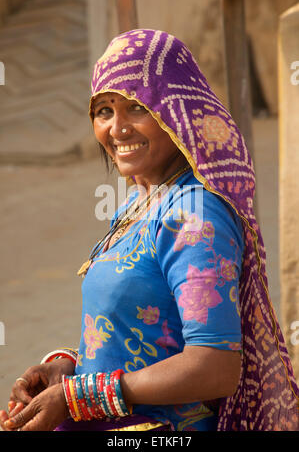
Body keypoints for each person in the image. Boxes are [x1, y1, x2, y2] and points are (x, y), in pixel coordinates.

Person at [0, 29, 298, 432]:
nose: (118, 128)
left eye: (137, 107)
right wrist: (66, 369)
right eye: (104, 110)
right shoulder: (139, 204)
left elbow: (215, 365)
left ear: (175, 114)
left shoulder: (193, 215)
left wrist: (76, 398)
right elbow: (146, 334)